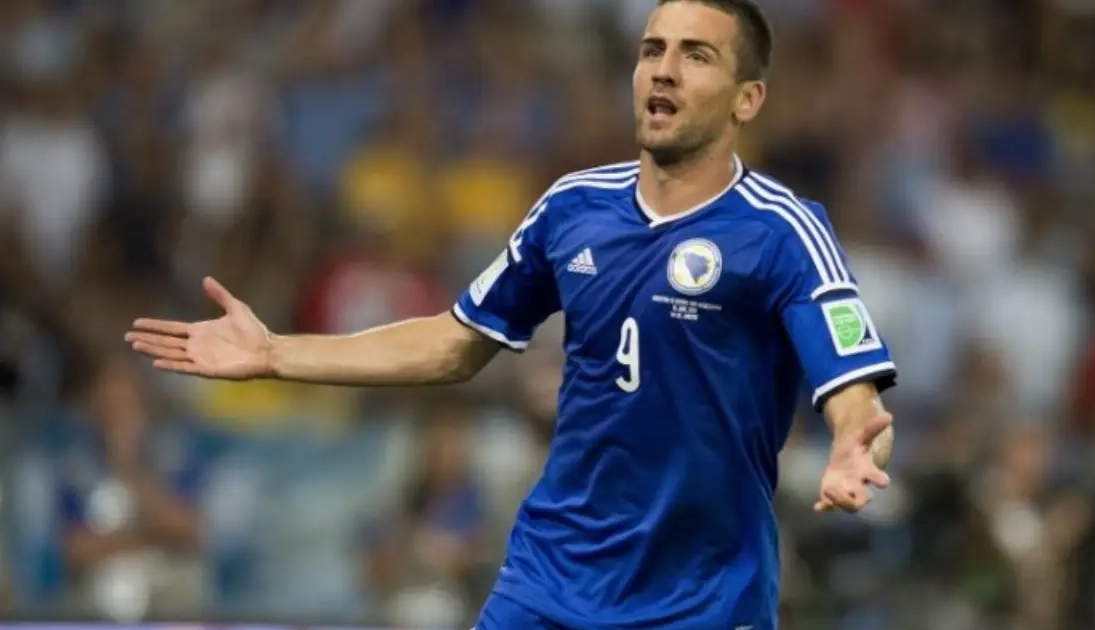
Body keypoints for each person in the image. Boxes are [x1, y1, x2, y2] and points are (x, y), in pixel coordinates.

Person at [125, 1, 898, 628]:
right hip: (549, 580)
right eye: (652, 49)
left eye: (696, 55)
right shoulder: (573, 208)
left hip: (700, 600)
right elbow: (455, 341)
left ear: (746, 99)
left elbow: (853, 389)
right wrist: (275, 353)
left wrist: (851, 445)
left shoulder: (783, 231)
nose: (663, 69)